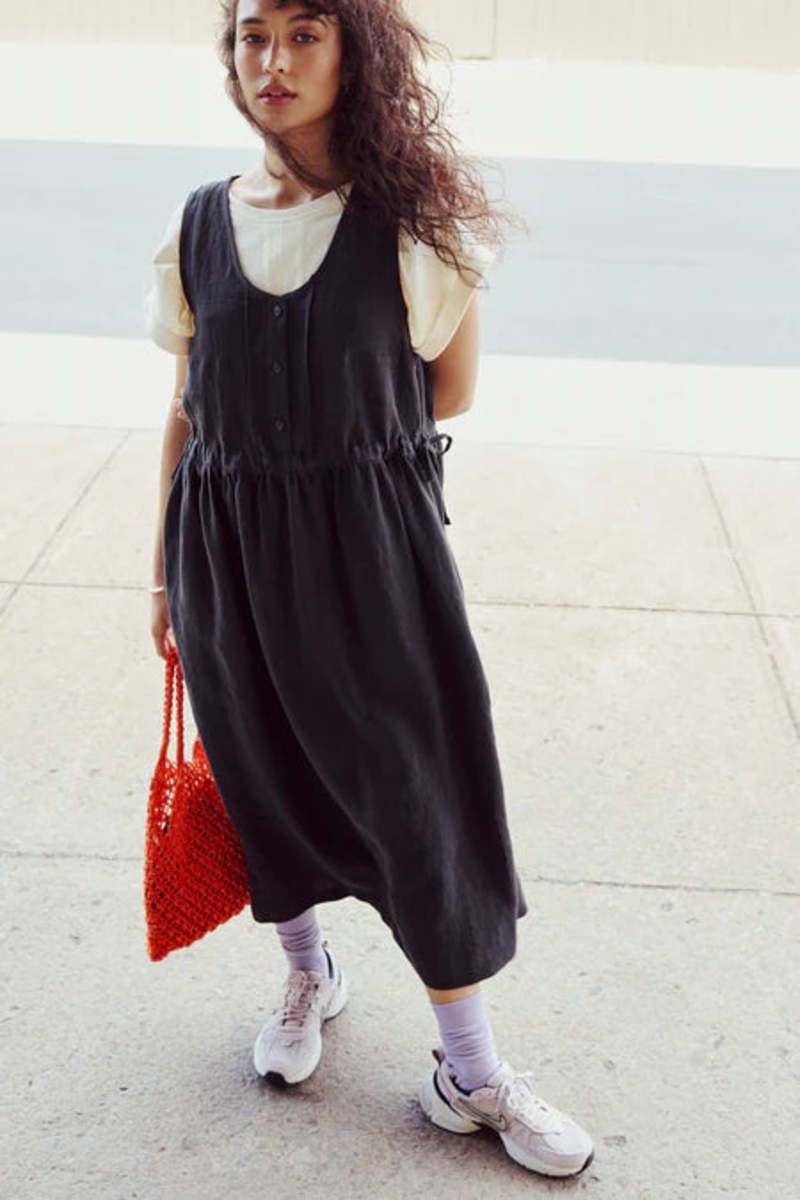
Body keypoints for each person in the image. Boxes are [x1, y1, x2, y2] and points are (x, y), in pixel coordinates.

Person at [145, 0, 594, 1179]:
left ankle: (468, 1070)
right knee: (257, 768)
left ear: (354, 53)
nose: (272, 60)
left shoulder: (408, 222)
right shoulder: (199, 223)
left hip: (369, 555)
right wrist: (162, 573)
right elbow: (187, 408)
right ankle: (305, 973)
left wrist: (330, 453)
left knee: (415, 790)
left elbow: (448, 391)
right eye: (252, 35)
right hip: (223, 547)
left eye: (304, 34)